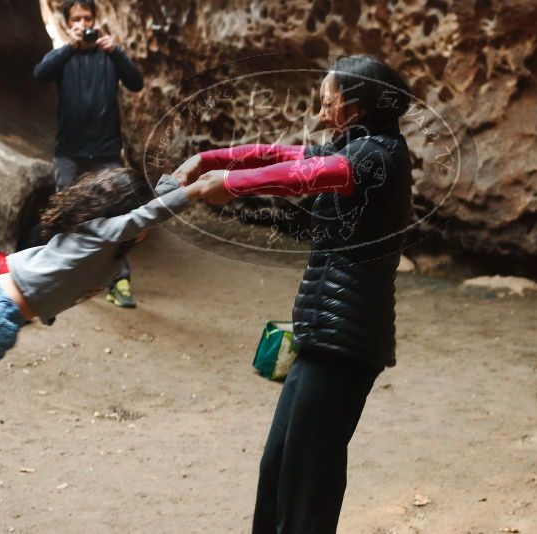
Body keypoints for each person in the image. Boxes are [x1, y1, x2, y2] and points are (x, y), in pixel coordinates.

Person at [172, 55, 413, 533]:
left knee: (307, 486)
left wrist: (230, 186)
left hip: (344, 346)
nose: (320, 115)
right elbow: (282, 156)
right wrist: (211, 159)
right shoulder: (355, 146)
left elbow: (305, 177)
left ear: (357, 107)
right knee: (279, 469)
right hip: (321, 336)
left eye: (329, 104)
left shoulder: (377, 157)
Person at [0, 169, 196, 478]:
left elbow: (147, 209)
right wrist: (197, 194)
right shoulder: (102, 235)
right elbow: (146, 215)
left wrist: (179, 182)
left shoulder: (95, 235)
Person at [34, 0, 144, 308]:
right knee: (65, 215)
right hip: (70, 151)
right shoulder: (63, 55)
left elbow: (136, 83)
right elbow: (40, 75)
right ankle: (65, 278)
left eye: (87, 17)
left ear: (96, 20)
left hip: (106, 151)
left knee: (118, 216)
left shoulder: (109, 55)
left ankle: (118, 281)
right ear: (68, 24)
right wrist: (69, 46)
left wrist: (117, 52)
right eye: (77, 19)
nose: (83, 23)